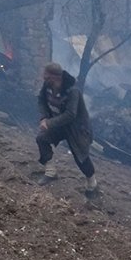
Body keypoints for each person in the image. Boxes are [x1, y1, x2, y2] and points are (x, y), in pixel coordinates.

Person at [36, 62, 97, 194]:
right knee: (42, 139)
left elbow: (70, 115)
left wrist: (50, 123)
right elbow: (41, 100)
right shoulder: (47, 85)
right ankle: (50, 172)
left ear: (56, 77)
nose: (45, 80)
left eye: (47, 78)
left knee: (81, 157)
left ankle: (92, 184)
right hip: (58, 124)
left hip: (76, 129)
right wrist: (44, 118)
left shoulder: (73, 91)